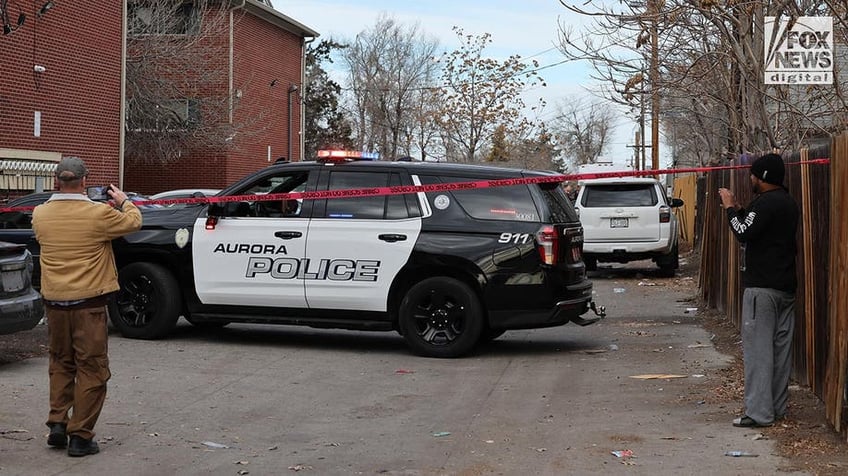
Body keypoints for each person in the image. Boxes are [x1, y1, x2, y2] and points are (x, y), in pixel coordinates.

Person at [32, 157, 142, 457]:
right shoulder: (97, 214)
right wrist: (124, 201)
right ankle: (80, 436)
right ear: (84, 182)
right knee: (92, 369)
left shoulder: (40, 214)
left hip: (54, 303)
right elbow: (134, 223)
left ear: (56, 182)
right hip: (89, 305)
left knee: (60, 362)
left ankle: (57, 423)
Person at [718, 153, 799, 428]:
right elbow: (760, 230)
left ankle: (758, 413)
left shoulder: (764, 204)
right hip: (785, 288)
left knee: (758, 352)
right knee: (780, 351)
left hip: (761, 290)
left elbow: (742, 232)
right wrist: (743, 211)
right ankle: (777, 408)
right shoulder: (788, 203)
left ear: (762, 178)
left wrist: (730, 208)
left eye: (753, 175)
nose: (750, 178)